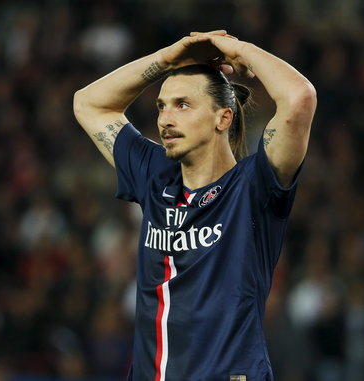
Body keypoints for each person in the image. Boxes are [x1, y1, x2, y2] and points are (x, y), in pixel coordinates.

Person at [73, 30, 317, 380]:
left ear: (223, 118)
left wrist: (240, 50)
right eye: (161, 106)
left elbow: (300, 98)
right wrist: (166, 59)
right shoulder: (156, 176)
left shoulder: (253, 186)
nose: (165, 120)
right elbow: (88, 102)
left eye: (182, 105)